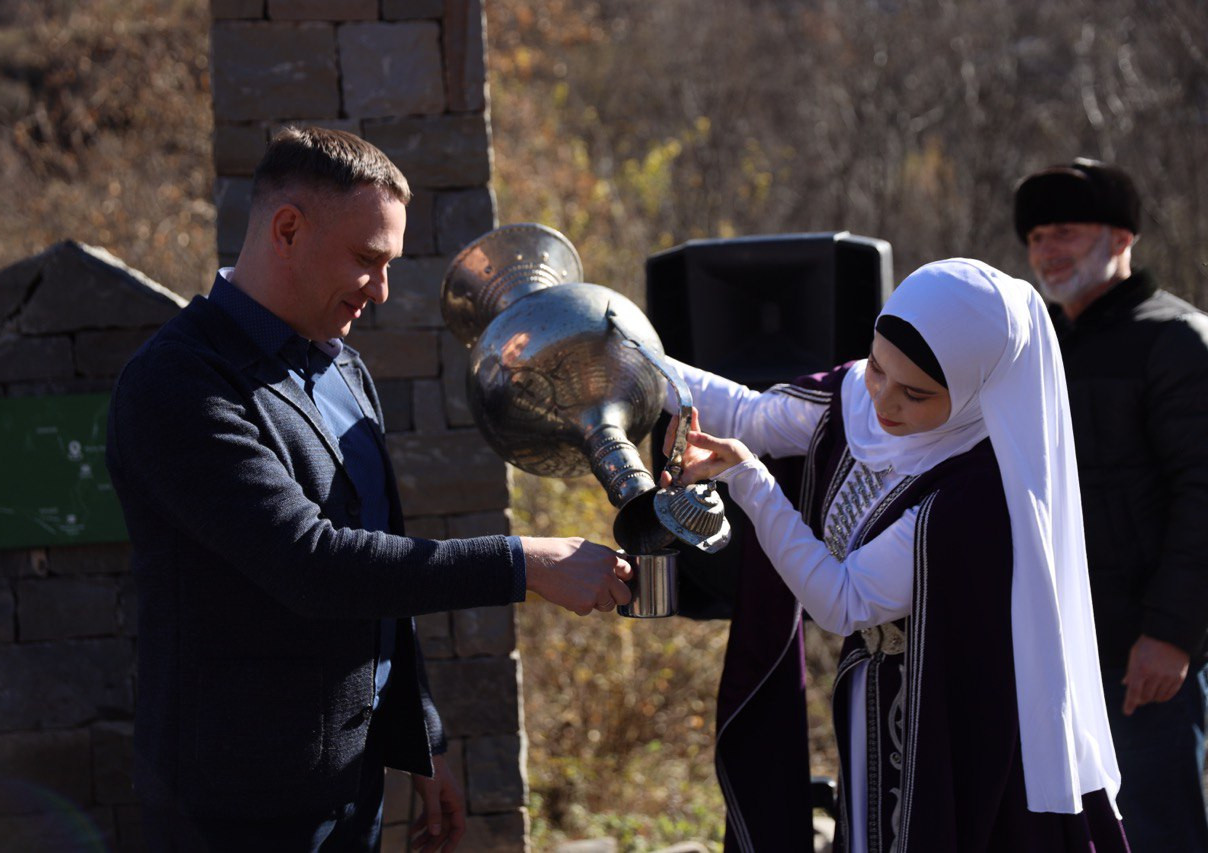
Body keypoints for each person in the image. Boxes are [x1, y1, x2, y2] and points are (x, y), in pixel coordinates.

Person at [105, 126, 633, 853]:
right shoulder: (178, 382)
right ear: (287, 229)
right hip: (229, 807)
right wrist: (526, 562)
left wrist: (422, 741)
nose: (381, 291)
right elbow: (312, 565)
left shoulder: (345, 372)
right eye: (366, 260)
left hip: (351, 796)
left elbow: (383, 570)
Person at [660, 259, 1128, 851]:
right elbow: (753, 417)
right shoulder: (861, 396)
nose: (883, 400)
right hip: (873, 693)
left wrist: (751, 483)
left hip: (952, 718)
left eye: (916, 394)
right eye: (878, 367)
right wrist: (638, 363)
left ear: (975, 389)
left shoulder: (980, 489)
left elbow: (844, 600)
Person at [1014, 158, 1208, 852]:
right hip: (1059, 647)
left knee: (1160, 832)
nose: (1047, 251)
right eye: (1036, 237)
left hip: (1144, 656)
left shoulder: (1177, 339)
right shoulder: (1039, 347)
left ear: (1122, 237)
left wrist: (1173, 634)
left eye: (1065, 230)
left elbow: (1202, 495)